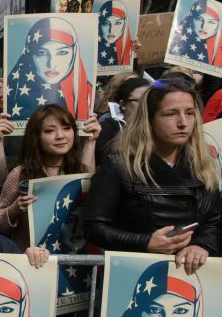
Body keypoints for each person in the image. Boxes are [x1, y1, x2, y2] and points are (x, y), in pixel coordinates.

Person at [84, 78, 220, 275]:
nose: (183, 122)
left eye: (190, 113)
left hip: (193, 277)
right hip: (134, 276)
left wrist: (202, 245)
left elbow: (214, 222)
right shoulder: (118, 164)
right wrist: (146, 242)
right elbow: (94, 227)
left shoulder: (204, 165)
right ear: (149, 119)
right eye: (171, 114)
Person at [0, 104, 99, 250]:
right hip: (31, 262)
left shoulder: (80, 170)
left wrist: (91, 141)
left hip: (73, 263)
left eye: (66, 128)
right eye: (49, 131)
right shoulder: (20, 174)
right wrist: (14, 209)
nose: (60, 136)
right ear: (37, 137)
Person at [6, 17, 93, 122]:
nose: (52, 64)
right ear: (29, 54)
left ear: (74, 53)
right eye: (41, 53)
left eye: (62, 53)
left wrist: (91, 138)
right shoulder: (13, 92)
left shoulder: (88, 95)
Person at [95, 77, 151, 165]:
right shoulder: (106, 130)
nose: (146, 105)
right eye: (141, 101)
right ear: (123, 104)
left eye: (149, 100)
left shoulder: (157, 129)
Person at [168, 0, 222, 66]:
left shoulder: (216, 53)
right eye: (199, 19)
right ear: (191, 18)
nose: (204, 26)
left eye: (211, 22)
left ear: (218, 25)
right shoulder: (173, 40)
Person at [97, 0, 134, 67]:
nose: (111, 30)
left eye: (117, 23)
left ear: (125, 24)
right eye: (106, 23)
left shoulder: (131, 44)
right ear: (99, 24)